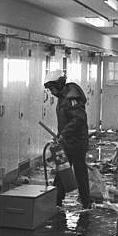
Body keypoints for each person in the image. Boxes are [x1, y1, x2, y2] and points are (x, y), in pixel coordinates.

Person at [43, 70, 91, 209]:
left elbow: (79, 119)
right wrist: (62, 136)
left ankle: (86, 203)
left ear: (58, 85)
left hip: (77, 144)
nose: (51, 92)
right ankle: (57, 201)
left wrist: (63, 134)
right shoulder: (63, 97)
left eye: (52, 88)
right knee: (62, 172)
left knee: (80, 173)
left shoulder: (71, 98)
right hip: (66, 142)